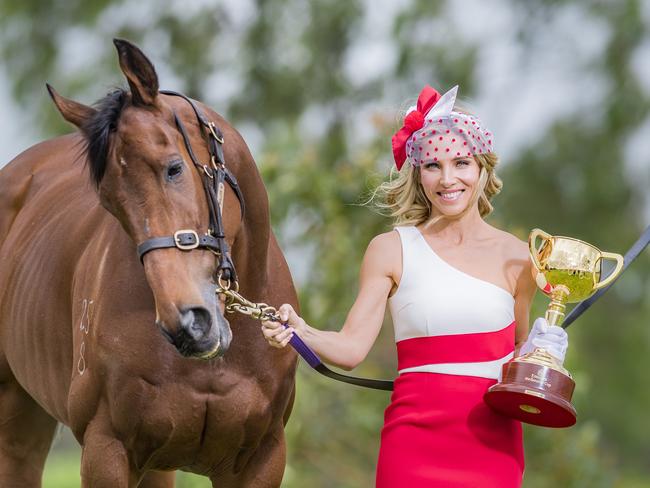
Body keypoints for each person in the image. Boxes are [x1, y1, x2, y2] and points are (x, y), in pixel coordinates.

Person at [261, 85, 568, 487]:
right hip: (412, 446)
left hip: (493, 449)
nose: (448, 179)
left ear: (482, 168)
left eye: (461, 163)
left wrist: (543, 353)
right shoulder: (390, 250)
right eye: (433, 166)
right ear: (417, 173)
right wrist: (300, 330)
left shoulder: (519, 258)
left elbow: (517, 361)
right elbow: (351, 349)